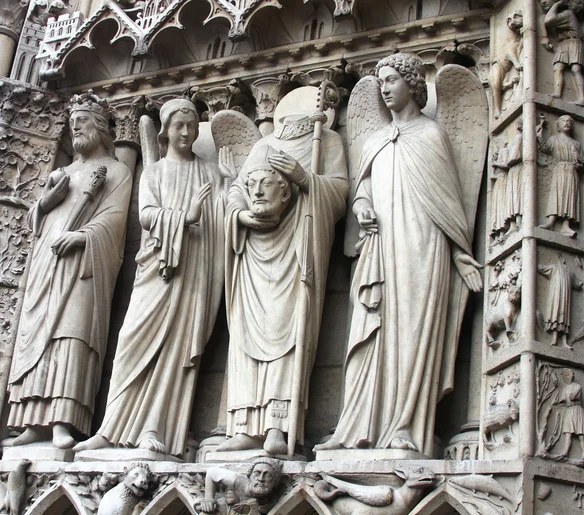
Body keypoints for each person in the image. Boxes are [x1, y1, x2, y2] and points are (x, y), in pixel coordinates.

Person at [315, 53, 482, 457]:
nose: (386, 88)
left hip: (422, 247)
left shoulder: (431, 135)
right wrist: (362, 207)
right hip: (379, 244)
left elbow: (447, 202)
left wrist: (460, 253)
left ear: (413, 83)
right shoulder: (374, 140)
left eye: (392, 80)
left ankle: (406, 425)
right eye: (382, 82)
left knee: (411, 331)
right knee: (369, 331)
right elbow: (363, 188)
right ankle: (357, 427)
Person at [74, 98, 230, 456]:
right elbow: (146, 215)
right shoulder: (154, 172)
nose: (187, 132)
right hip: (157, 269)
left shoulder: (211, 173)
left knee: (176, 350)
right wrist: (184, 217)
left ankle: (155, 428)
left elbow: (224, 216)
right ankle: (111, 427)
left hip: (195, 272)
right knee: (130, 341)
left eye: (192, 126)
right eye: (179, 125)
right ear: (165, 130)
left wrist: (232, 185)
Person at [6, 91, 132, 449]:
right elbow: (33, 220)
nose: (76, 127)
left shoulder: (118, 171)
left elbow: (115, 223)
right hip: (46, 262)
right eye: (72, 122)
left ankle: (63, 421)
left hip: (84, 266)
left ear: (101, 128)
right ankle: (31, 421)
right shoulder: (62, 173)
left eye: (83, 122)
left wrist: (83, 237)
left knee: (71, 334)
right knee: (37, 336)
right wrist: (46, 202)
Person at [217, 109, 348, 454]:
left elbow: (338, 194)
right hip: (254, 255)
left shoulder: (328, 139)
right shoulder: (263, 146)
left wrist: (305, 178)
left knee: (288, 332)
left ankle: (278, 425)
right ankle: (245, 426)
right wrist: (242, 214)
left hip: (297, 249)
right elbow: (236, 192)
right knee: (245, 335)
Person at [537, 115, 584, 237]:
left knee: (570, 197)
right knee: (556, 194)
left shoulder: (576, 144)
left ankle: (566, 225)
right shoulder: (554, 139)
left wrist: (578, 165)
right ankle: (551, 222)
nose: (567, 123)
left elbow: (583, 163)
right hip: (560, 169)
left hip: (572, 172)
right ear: (558, 125)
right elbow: (545, 149)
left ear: (573, 125)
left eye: (569, 121)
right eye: (563, 121)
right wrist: (539, 135)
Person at [539, 0, 584, 106]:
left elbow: (548, 20)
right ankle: (557, 93)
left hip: (573, 42)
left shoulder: (568, 14)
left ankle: (582, 99)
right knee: (558, 67)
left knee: (576, 69)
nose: (543, 2)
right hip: (564, 43)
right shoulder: (563, 16)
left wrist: (556, 4)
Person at [197, 458, 283, 514]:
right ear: (250, 476)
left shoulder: (274, 497)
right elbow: (212, 473)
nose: (261, 479)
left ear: (275, 481)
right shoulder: (239, 481)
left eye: (268, 475)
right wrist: (209, 499)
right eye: (257, 473)